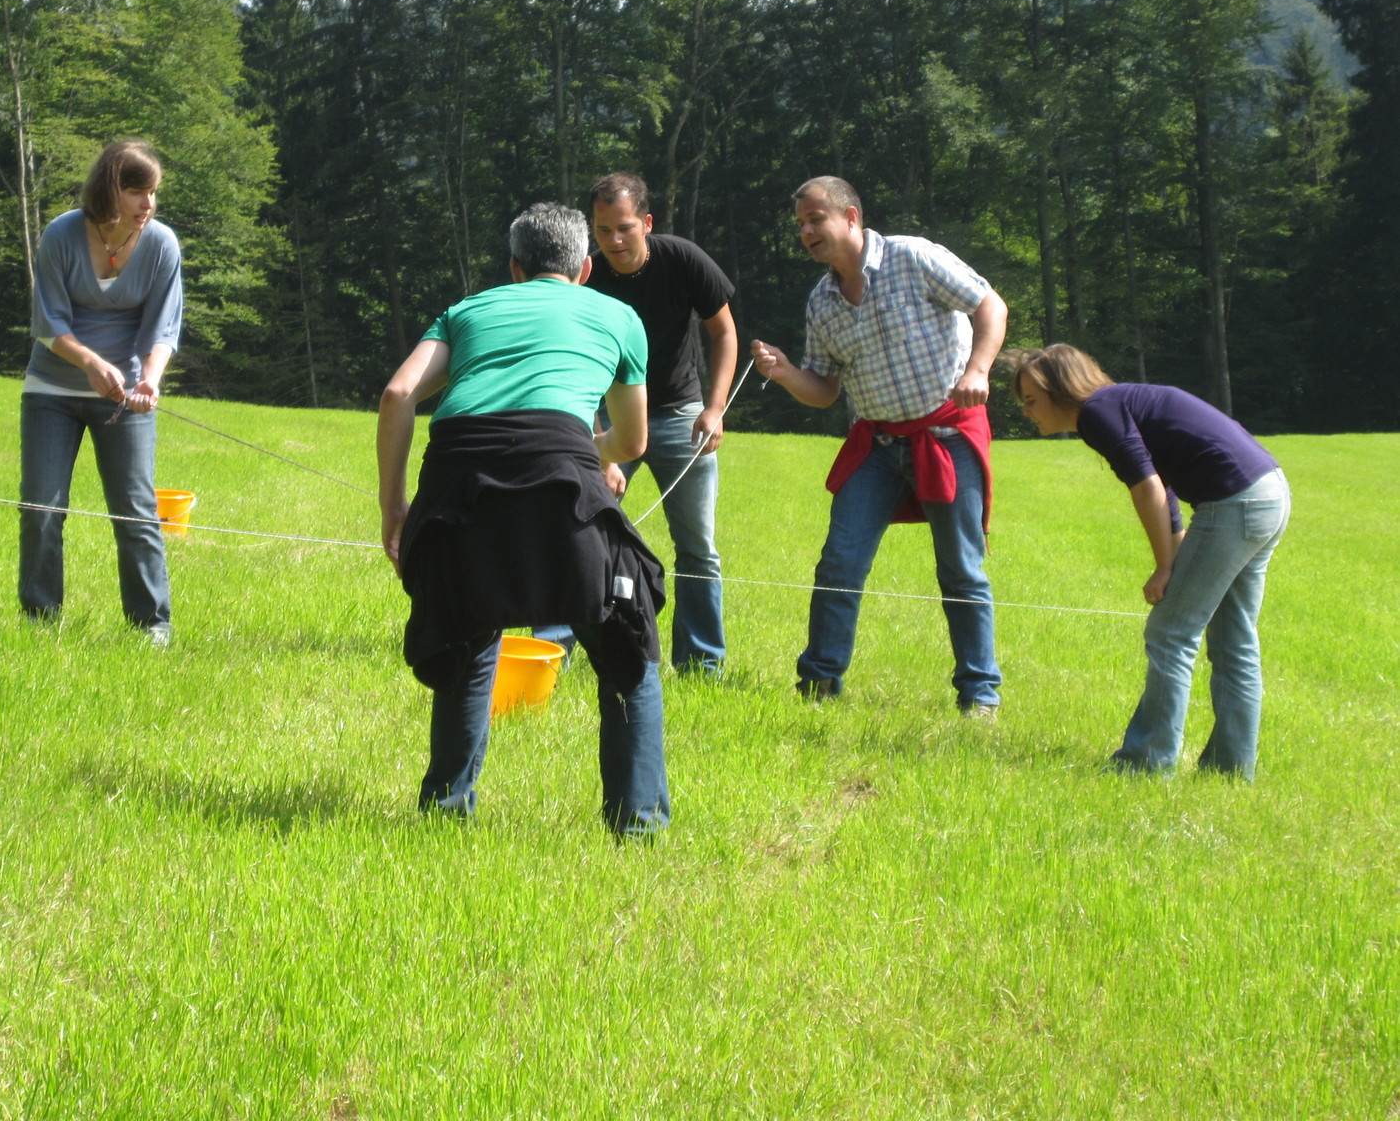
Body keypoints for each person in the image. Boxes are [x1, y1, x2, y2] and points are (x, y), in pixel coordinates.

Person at [378, 202, 670, 837]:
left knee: (467, 629)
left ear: (514, 268)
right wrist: (591, 457)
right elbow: (632, 440)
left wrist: (394, 508)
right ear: (586, 268)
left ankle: (444, 813)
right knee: (627, 636)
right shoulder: (619, 316)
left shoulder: (468, 311)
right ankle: (639, 827)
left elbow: (400, 394)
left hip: (455, 482)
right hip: (562, 479)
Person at [750, 176, 1008, 715]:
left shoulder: (912, 258)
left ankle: (979, 696)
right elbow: (823, 390)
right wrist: (786, 374)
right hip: (878, 443)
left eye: (815, 219)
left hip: (946, 433)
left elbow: (990, 306)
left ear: (850, 217)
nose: (806, 231)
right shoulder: (822, 302)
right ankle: (818, 686)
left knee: (960, 567)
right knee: (839, 562)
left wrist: (979, 369)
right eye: (800, 224)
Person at [1011, 345, 1290, 779]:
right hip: (1268, 493)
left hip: (1235, 504)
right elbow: (1164, 486)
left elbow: (1147, 488)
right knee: (1234, 640)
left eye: (1030, 400)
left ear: (1060, 390)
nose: (1027, 412)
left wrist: (1165, 568)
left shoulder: (1098, 411)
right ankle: (1230, 772)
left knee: (1170, 633)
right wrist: (1173, 558)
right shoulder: (1116, 404)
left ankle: (1146, 764)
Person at [537, 173, 737, 673]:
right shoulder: (588, 277)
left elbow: (725, 333)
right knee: (574, 526)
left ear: (646, 223)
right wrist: (595, 445)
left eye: (624, 228)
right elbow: (573, 360)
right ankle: (554, 652)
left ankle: (701, 665)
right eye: (602, 232)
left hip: (679, 416)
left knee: (697, 548)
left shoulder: (684, 260)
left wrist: (714, 409)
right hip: (608, 415)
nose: (614, 241)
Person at [18, 139, 183, 643]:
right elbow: (48, 323)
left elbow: (162, 329)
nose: (147, 205)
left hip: (126, 398)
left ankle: (151, 627)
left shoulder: (161, 244)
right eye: (137, 192)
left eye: (153, 193)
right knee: (41, 510)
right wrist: (91, 364)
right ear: (110, 190)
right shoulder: (61, 235)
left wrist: (149, 381)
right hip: (52, 389)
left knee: (135, 512)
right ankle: (39, 624)